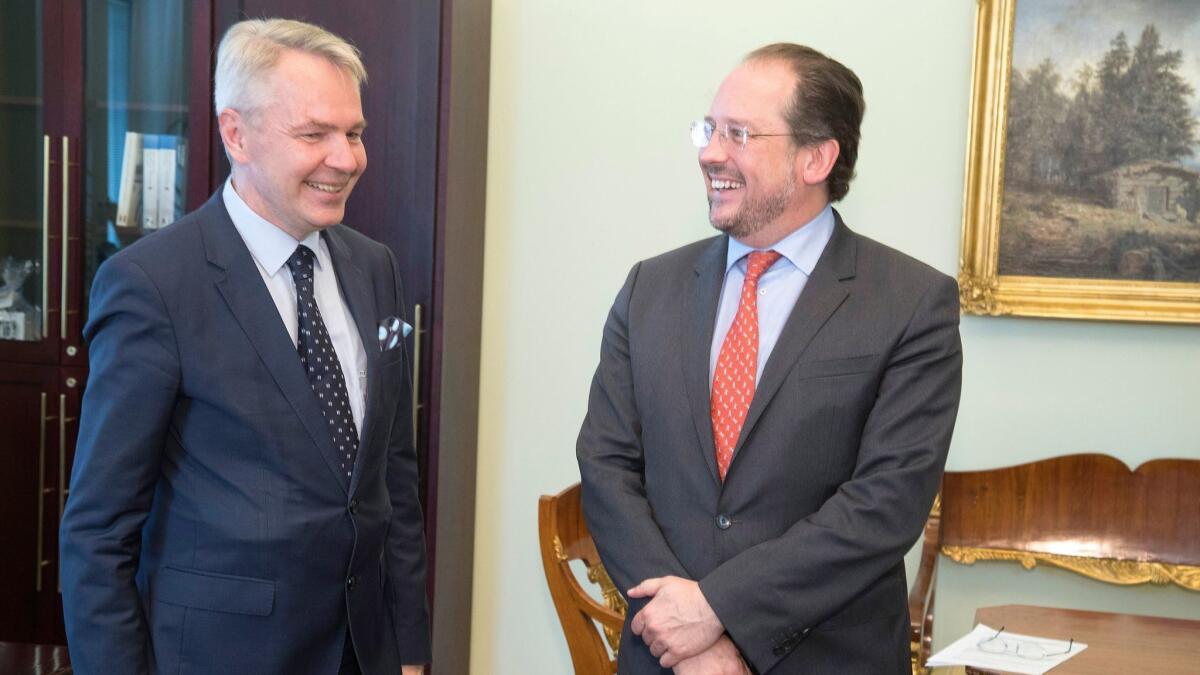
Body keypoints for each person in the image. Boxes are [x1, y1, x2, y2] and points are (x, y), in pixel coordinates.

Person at [577, 43, 962, 674]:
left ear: (816, 157)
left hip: (826, 658)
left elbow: (884, 504)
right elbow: (606, 462)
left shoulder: (911, 303)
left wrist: (720, 614)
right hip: (667, 657)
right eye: (709, 130)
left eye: (739, 133)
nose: (710, 153)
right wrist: (680, 628)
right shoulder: (650, 287)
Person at [60, 19, 429, 674]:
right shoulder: (153, 285)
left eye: (354, 132)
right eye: (314, 134)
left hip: (362, 652)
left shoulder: (376, 268)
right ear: (237, 134)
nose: (345, 158)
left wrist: (409, 651)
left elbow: (392, 480)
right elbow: (96, 534)